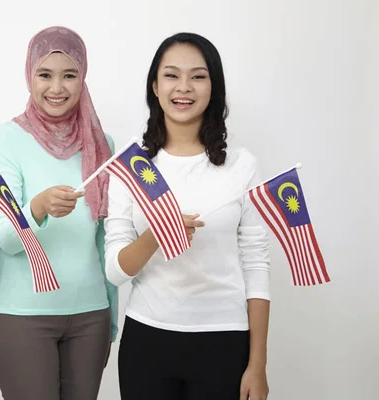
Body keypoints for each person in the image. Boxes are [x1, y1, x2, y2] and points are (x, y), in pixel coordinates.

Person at [105, 33, 271, 400]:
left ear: (214, 87)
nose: (184, 87)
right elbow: (115, 272)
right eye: (171, 75)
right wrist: (157, 234)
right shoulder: (131, 167)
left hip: (225, 340)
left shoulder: (242, 166)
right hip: (147, 340)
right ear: (155, 86)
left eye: (198, 76)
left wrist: (257, 364)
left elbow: (256, 266)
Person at [0, 26, 118, 400]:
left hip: (91, 315)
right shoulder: (9, 138)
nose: (56, 87)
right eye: (45, 75)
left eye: (69, 75)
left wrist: (112, 316)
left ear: (83, 77)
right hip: (22, 317)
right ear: (30, 76)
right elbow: (8, 239)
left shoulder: (101, 143)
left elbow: (104, 240)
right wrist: (38, 207)